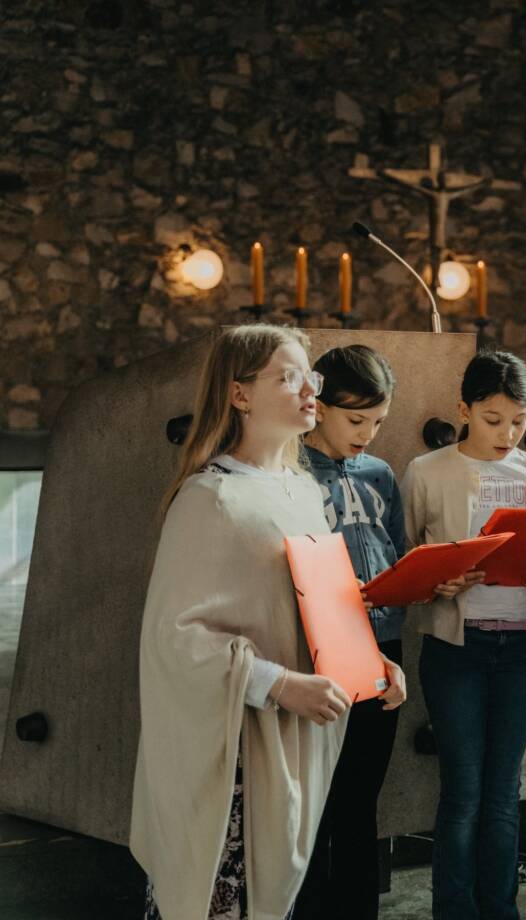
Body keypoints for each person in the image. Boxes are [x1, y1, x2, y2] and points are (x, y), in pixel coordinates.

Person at [132, 324, 404, 920]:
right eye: (288, 377)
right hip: (235, 755)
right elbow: (174, 637)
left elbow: (322, 604)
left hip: (295, 744)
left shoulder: (302, 490)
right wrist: (278, 683)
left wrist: (370, 661)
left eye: (311, 377)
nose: (309, 390)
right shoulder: (209, 497)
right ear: (240, 394)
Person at [401, 350, 526, 920]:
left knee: (506, 790)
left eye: (519, 421)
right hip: (457, 646)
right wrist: (438, 581)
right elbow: (401, 563)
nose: (507, 434)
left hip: (520, 642)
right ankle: (455, 911)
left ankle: (500, 909)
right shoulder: (427, 471)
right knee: (463, 790)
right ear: (465, 410)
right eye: (493, 419)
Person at [296, 344, 408, 920]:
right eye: (356, 420)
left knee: (361, 799)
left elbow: (395, 549)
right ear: (319, 407)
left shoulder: (380, 474)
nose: (368, 434)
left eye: (378, 422)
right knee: (315, 800)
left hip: (381, 644)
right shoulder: (291, 472)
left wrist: (418, 581)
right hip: (314, 649)